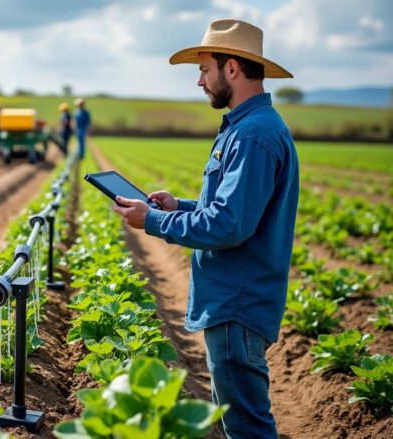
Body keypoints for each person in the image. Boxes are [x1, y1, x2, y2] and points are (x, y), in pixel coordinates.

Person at [111, 19, 298, 439]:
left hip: (236, 302)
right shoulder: (250, 128)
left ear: (231, 68)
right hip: (236, 298)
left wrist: (154, 220)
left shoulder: (252, 135)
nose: (199, 81)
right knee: (239, 420)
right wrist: (179, 206)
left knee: (247, 427)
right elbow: (234, 210)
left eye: (204, 69)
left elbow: (228, 225)